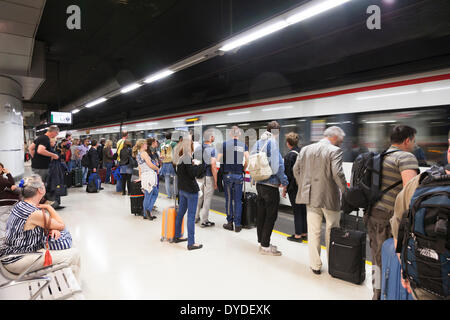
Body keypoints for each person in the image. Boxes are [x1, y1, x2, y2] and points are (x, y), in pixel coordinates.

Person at [391, 132, 450, 300]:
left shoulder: (420, 181)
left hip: (427, 283)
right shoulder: (407, 160)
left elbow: (398, 228)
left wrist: (407, 271)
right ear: (407, 140)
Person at [364, 125, 419, 299]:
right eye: (414, 140)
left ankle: (377, 292)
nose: (414, 144)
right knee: (397, 258)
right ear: (407, 140)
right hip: (390, 217)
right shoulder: (406, 157)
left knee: (376, 258)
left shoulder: (380, 156)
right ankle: (389, 293)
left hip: (372, 213)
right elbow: (411, 193)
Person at [0, 175, 81, 281]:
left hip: (10, 254)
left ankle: (62, 283)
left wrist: (52, 227)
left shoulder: (20, 205)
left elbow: (45, 225)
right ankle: (72, 292)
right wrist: (49, 207)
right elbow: (61, 225)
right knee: (74, 254)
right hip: (18, 259)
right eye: (43, 184)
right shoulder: (34, 213)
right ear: (40, 190)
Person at [293, 126, 348, 274]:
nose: (341, 144)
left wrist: (303, 186)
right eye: (341, 141)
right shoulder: (334, 151)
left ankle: (315, 265)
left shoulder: (305, 149)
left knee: (313, 231)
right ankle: (333, 264)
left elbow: (295, 170)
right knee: (332, 230)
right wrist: (345, 190)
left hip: (310, 196)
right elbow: (337, 173)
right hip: (329, 196)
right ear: (334, 137)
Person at [250, 121, 288, 255]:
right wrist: (284, 181)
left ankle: (262, 242)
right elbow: (278, 165)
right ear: (277, 132)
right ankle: (265, 246)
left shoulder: (258, 142)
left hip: (260, 184)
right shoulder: (272, 143)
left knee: (261, 214)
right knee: (270, 216)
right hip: (270, 185)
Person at [217, 126, 249, 232]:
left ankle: (230, 223)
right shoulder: (243, 145)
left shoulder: (225, 145)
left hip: (228, 176)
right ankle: (238, 225)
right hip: (239, 175)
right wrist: (243, 169)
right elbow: (247, 160)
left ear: (230, 134)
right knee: (238, 201)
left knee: (229, 200)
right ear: (239, 134)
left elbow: (218, 159)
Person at [174, 135, 204, 250]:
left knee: (181, 214)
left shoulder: (180, 157)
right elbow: (193, 174)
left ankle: (177, 236)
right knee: (191, 217)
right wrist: (199, 165)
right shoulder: (187, 157)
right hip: (191, 191)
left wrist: (192, 164)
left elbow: (183, 172)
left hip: (182, 190)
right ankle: (191, 243)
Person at [283, 132, 307, 243]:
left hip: (294, 187)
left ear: (288, 143)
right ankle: (304, 233)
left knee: (296, 210)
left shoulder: (289, 156)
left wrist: (284, 189)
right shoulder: (303, 152)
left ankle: (297, 235)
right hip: (303, 186)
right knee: (303, 209)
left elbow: (287, 175)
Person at [194, 128, 218, 228]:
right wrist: (216, 181)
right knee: (207, 199)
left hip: (199, 177)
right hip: (208, 177)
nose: (214, 137)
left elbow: (194, 162)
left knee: (199, 196)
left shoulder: (198, 148)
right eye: (213, 136)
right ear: (211, 137)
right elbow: (213, 165)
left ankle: (195, 217)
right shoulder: (212, 149)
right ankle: (204, 220)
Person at [134, 139, 160, 220]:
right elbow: (150, 165)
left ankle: (147, 212)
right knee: (149, 195)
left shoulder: (138, 154)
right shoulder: (144, 153)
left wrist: (140, 177)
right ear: (142, 145)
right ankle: (147, 213)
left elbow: (140, 168)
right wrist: (157, 168)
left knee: (153, 193)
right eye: (145, 144)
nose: (146, 145)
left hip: (145, 176)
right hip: (149, 175)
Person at [160, 132, 178, 199]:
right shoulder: (174, 143)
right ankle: (175, 194)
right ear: (171, 137)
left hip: (164, 163)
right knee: (175, 179)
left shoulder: (162, 144)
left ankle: (168, 195)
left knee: (166, 179)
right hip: (172, 163)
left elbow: (160, 154)